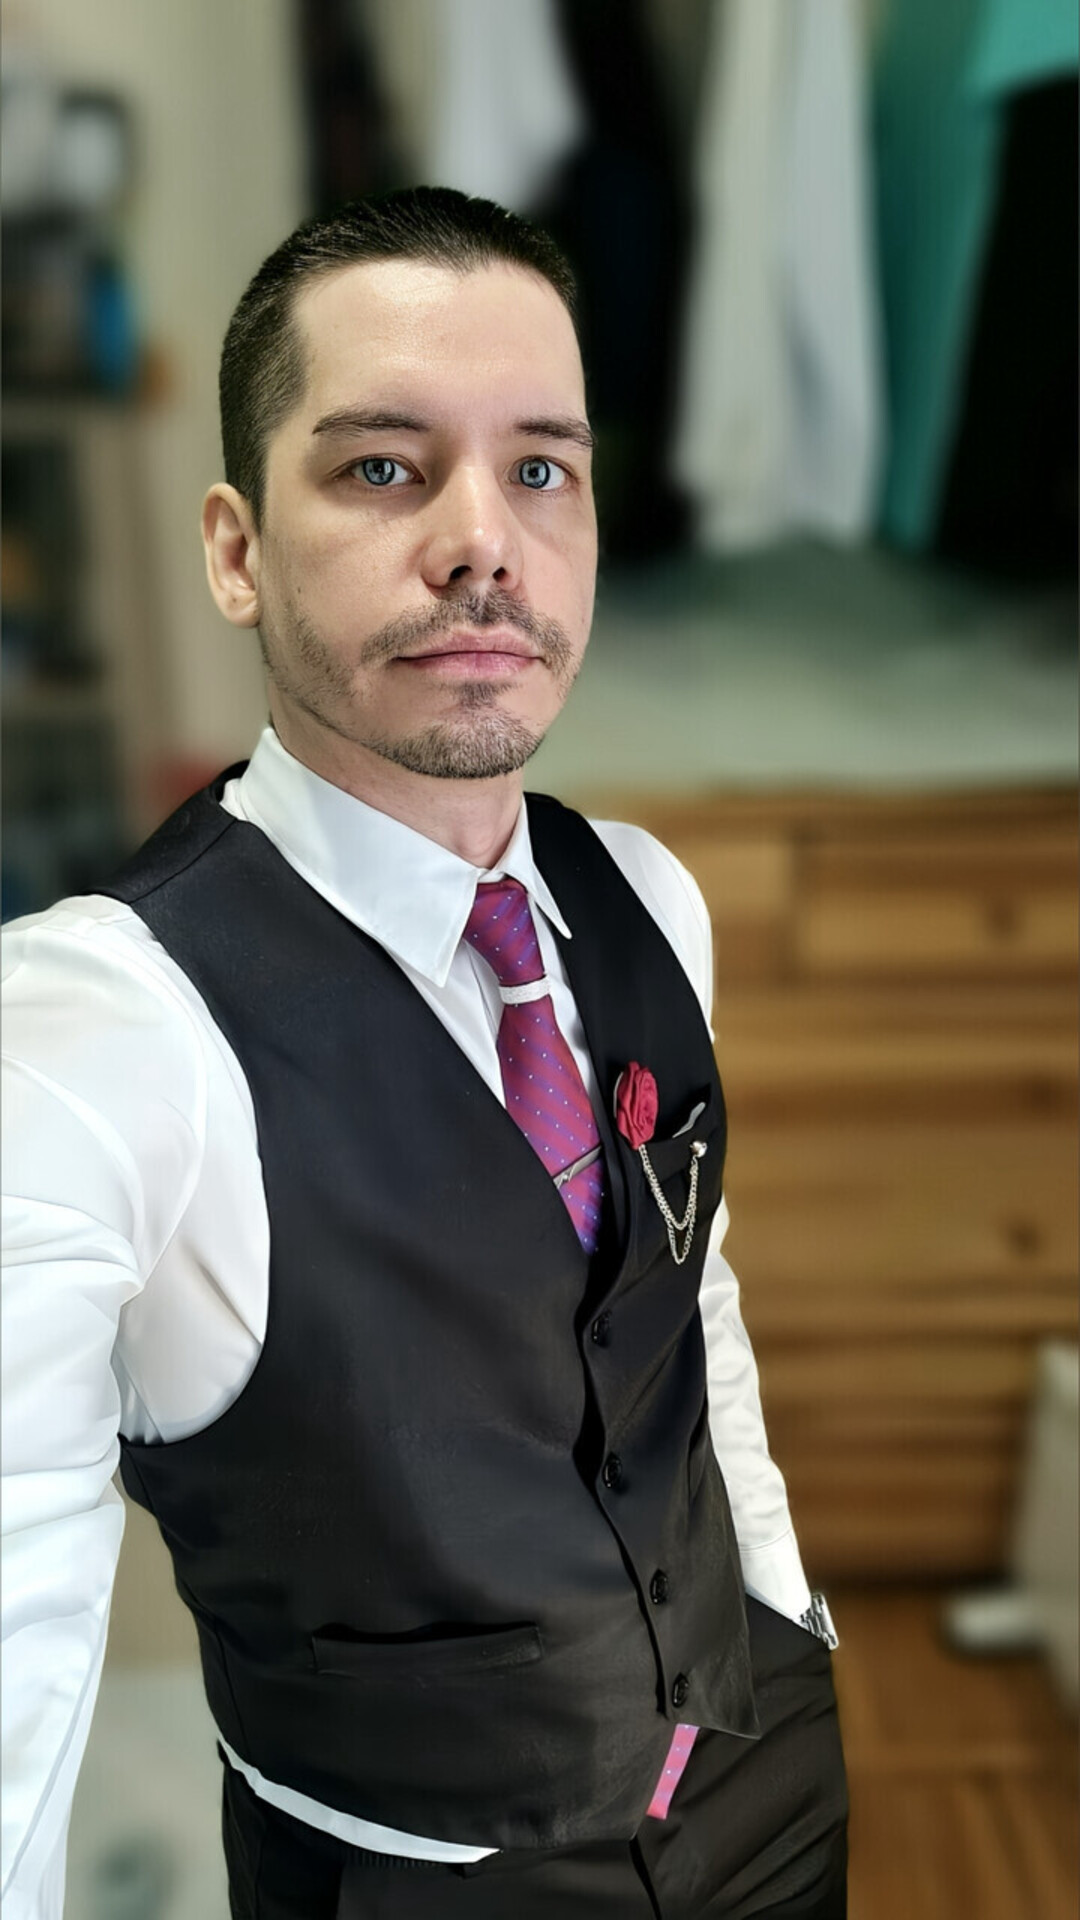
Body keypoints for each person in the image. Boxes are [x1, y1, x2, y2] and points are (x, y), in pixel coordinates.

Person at [2, 187, 847, 1919]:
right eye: (385, 467)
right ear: (236, 550)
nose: (485, 542)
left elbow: (687, 1303)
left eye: (542, 469)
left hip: (767, 1791)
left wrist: (780, 1603)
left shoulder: (644, 895)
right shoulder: (97, 1030)